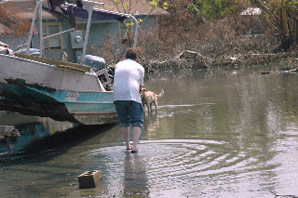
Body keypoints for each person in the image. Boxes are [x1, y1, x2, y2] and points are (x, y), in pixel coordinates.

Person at [113, 48, 145, 153]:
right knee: (137, 121)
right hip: (132, 96)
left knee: (124, 121)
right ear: (137, 58)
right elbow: (140, 87)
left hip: (117, 96)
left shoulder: (118, 65)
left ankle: (127, 146)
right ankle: (135, 147)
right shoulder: (139, 67)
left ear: (125, 57)